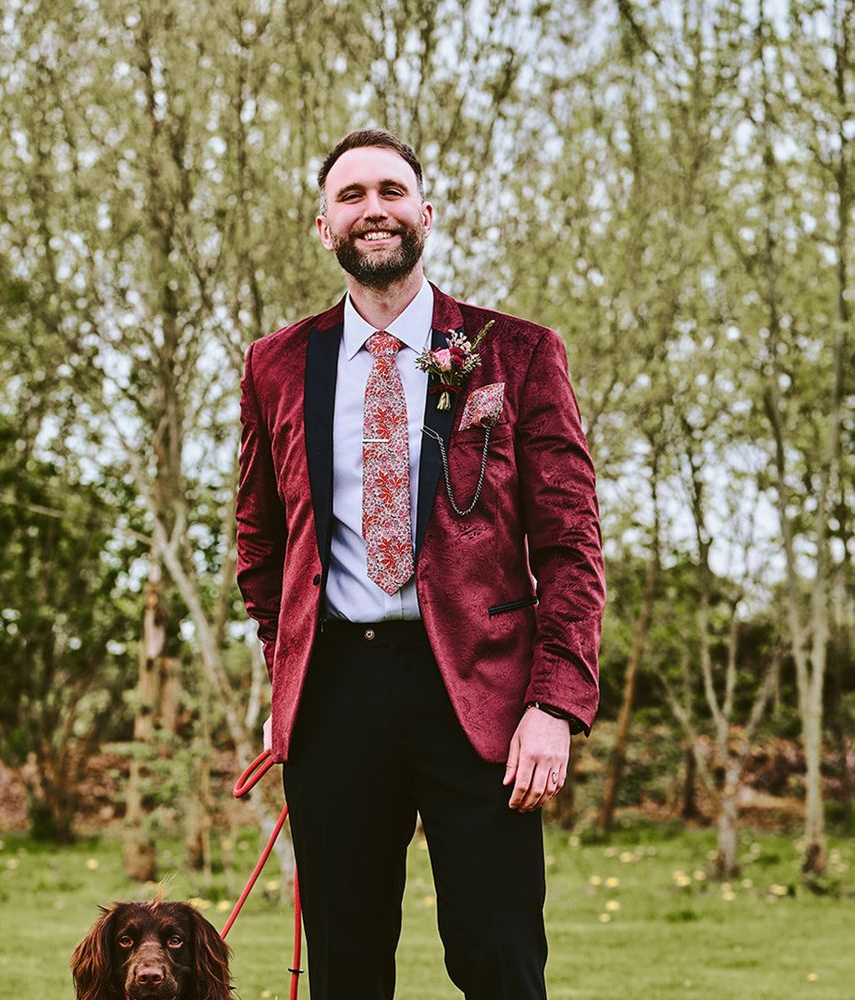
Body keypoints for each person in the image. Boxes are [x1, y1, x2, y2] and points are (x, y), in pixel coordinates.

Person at [235, 128, 605, 1000]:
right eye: (353, 196)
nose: (375, 210)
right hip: (335, 695)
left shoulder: (516, 353)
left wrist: (554, 702)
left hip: (481, 695)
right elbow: (260, 542)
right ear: (322, 225)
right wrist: (284, 668)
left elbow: (570, 546)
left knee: (498, 958)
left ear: (425, 214)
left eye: (392, 192)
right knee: (347, 967)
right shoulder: (276, 366)